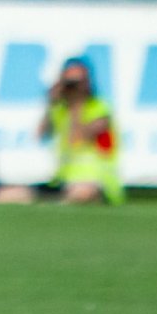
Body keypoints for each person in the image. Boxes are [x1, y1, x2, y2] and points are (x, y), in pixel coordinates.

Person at [34, 57, 123, 204]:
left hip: (97, 181)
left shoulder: (99, 108)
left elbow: (77, 140)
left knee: (81, 193)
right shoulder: (60, 109)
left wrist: (76, 104)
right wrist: (50, 103)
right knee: (11, 194)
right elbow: (40, 135)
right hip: (63, 180)